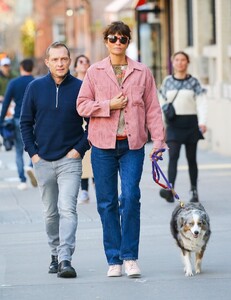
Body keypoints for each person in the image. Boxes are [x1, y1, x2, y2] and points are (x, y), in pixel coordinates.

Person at [77, 21, 167, 278]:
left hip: (133, 145)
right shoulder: (94, 72)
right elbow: (82, 105)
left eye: (123, 39)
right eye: (113, 38)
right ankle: (113, 258)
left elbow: (153, 109)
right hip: (102, 146)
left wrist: (158, 142)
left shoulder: (142, 72)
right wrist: (109, 104)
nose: (118, 42)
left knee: (129, 198)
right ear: (106, 41)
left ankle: (130, 257)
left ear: (128, 42)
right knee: (106, 203)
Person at [20, 42, 90, 278]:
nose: (60, 63)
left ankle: (65, 259)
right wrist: (34, 154)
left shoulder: (81, 87)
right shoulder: (35, 87)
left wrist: (79, 149)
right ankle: (54, 253)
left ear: (69, 61)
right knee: (50, 212)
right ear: (47, 62)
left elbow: (94, 124)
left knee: (68, 209)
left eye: (64, 59)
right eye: (55, 59)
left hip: (70, 160)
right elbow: (25, 123)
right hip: (43, 160)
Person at [159, 51, 207, 203]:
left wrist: (203, 121)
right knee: (173, 157)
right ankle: (169, 189)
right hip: (173, 125)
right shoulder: (167, 81)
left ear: (187, 62)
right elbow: (161, 103)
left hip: (191, 124)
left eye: (183, 60)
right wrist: (160, 125)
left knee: (191, 158)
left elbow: (201, 102)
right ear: (173, 63)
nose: (180, 63)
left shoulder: (194, 82)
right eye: (177, 60)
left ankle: (194, 190)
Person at [0, 59, 37, 190]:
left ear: (21, 67)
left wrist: (1, 120)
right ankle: (31, 166)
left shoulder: (14, 83)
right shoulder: (37, 82)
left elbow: (5, 104)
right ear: (32, 68)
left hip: (18, 119)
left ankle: (22, 180)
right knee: (35, 146)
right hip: (35, 120)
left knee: (18, 150)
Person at [74, 55, 94, 203]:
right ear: (75, 67)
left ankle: (98, 187)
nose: (84, 64)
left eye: (86, 61)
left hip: (94, 123)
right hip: (78, 125)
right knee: (83, 159)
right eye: (81, 62)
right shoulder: (72, 84)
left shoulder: (94, 82)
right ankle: (84, 191)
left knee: (95, 159)